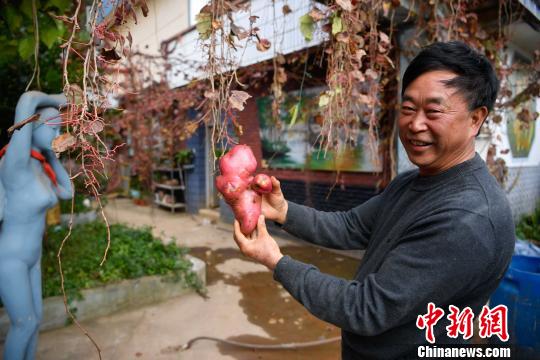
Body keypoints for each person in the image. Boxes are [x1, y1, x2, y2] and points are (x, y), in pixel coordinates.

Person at [233, 41, 516, 359]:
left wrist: (276, 260)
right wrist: (283, 210)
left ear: (476, 119)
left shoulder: (468, 217)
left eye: (433, 111)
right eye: (408, 109)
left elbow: (365, 308)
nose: (415, 124)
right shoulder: (413, 181)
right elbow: (350, 227)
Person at [0, 91, 73, 360]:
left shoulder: (40, 167)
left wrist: (53, 154)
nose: (60, 133)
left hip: (33, 257)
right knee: (24, 323)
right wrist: (60, 98)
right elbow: (27, 99)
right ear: (32, 127)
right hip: (11, 257)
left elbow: (67, 192)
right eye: (55, 128)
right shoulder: (14, 165)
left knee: (36, 320)